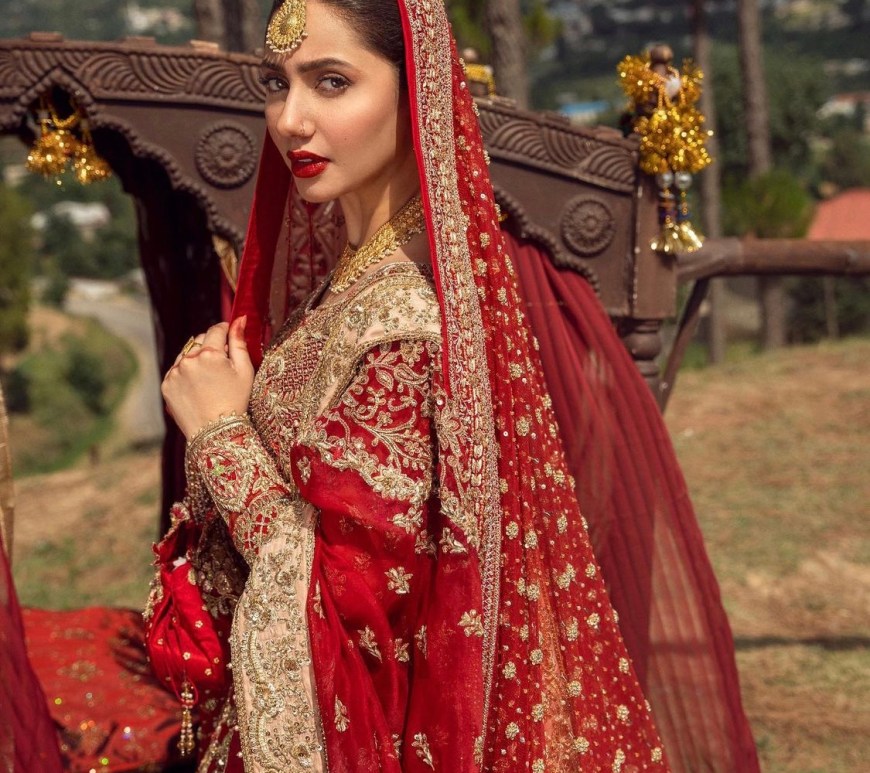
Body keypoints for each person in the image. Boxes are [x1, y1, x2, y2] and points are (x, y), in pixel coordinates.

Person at [156, 0, 756, 771]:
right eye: (279, 83)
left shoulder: (409, 325)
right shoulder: (353, 278)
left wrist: (221, 435)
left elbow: (357, 614)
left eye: (331, 82)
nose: (290, 120)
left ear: (417, 93)